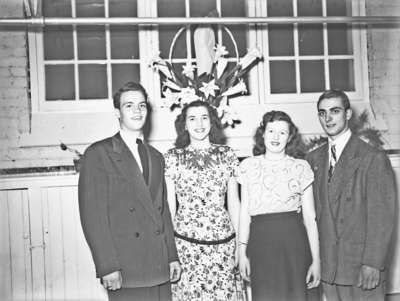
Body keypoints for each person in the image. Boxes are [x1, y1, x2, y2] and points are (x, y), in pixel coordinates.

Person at [78, 81, 181, 301]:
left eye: (142, 105)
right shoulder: (99, 153)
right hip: (126, 268)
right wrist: (107, 266)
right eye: (129, 106)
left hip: (158, 264)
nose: (137, 111)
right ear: (117, 112)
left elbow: (162, 213)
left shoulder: (156, 156)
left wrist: (172, 256)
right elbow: (93, 217)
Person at [305, 89, 396, 301]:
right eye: (322, 113)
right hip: (329, 267)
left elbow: (381, 217)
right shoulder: (313, 159)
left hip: (360, 266)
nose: (328, 118)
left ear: (347, 114)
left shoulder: (372, 158)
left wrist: (373, 263)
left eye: (334, 111)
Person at [237, 110, 321, 301]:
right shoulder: (248, 166)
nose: (276, 137)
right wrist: (241, 253)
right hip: (260, 246)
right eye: (271, 131)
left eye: (282, 132)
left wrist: (316, 260)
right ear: (263, 134)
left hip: (294, 246)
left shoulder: (300, 167)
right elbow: (244, 214)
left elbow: (310, 218)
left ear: (290, 136)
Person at [164, 100, 241, 301]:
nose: (199, 124)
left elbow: (234, 203)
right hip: (186, 246)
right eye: (192, 118)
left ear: (212, 122)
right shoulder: (173, 158)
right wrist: (170, 250)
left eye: (204, 117)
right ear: (184, 125)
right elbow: (170, 208)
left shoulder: (227, 155)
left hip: (223, 245)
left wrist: (242, 245)